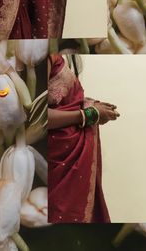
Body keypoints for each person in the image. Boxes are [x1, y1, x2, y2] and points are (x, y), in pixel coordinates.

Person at [48, 54, 120, 223]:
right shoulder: (47, 57)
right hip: (59, 154)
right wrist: (89, 114)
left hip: (72, 148)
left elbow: (63, 104)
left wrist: (91, 106)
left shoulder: (61, 57)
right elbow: (37, 116)